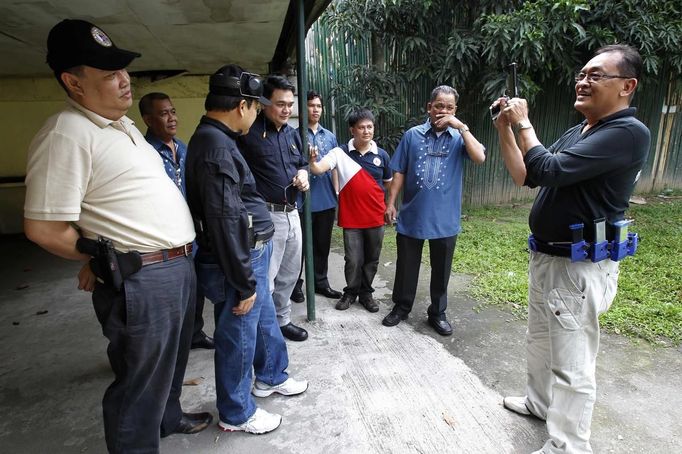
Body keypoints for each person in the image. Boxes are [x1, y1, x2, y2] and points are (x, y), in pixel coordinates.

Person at [23, 19, 211, 453]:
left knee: (170, 363)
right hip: (141, 275)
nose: (124, 80)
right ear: (73, 82)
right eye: (109, 74)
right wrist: (101, 260)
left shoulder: (121, 125)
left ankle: (169, 418)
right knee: (140, 382)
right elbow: (44, 228)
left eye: (123, 70)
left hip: (174, 265)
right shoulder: (66, 132)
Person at [492, 44, 650, 454]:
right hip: (548, 256)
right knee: (540, 340)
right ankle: (539, 404)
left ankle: (569, 445)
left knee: (573, 362)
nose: (583, 81)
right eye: (582, 74)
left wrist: (524, 121)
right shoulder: (582, 130)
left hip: (577, 268)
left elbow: (548, 168)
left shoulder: (627, 133)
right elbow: (527, 175)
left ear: (626, 86)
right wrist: (504, 129)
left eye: (596, 75)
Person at [185, 64, 308, 435]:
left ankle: (271, 375)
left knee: (264, 319)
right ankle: (236, 412)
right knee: (238, 334)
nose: (254, 116)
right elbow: (223, 223)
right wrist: (243, 283)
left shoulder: (217, 140)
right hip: (239, 260)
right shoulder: (217, 148)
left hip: (251, 253)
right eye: (255, 108)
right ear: (242, 106)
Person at [383, 85, 486, 336]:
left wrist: (461, 126)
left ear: (455, 111)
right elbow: (399, 171)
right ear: (429, 107)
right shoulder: (412, 135)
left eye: (449, 107)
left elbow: (480, 157)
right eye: (439, 105)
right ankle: (401, 307)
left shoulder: (460, 137)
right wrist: (390, 203)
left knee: (442, 269)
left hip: (445, 218)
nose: (443, 111)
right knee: (407, 265)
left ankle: (437, 313)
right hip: (412, 213)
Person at [139, 92, 214, 350]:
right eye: (163, 113)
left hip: (192, 232)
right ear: (148, 120)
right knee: (170, 295)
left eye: (172, 111)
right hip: (163, 236)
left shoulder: (183, 147)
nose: (172, 118)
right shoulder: (144, 153)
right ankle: (172, 343)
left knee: (196, 287)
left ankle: (194, 333)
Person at [237, 75, 310, 342]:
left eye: (290, 104)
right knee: (265, 279)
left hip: (293, 213)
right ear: (264, 102)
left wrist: (303, 174)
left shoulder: (291, 134)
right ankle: (262, 330)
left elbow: (302, 162)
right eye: (281, 104)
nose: (287, 110)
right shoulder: (248, 134)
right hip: (266, 217)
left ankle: (282, 321)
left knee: (290, 274)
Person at [309, 108, 391, 312]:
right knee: (353, 259)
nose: (366, 131)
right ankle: (350, 292)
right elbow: (319, 169)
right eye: (361, 127)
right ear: (352, 130)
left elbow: (388, 183)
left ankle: (366, 293)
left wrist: (389, 205)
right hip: (352, 217)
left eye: (370, 127)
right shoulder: (340, 152)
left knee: (372, 258)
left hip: (375, 216)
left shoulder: (381, 155)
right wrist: (311, 161)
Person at [291, 91, 343, 303]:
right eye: (311, 105)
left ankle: (321, 283)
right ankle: (295, 285)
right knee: (299, 248)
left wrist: (337, 193)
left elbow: (335, 167)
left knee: (322, 246)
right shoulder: (293, 135)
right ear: (303, 110)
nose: (315, 109)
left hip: (326, 201)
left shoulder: (329, 136)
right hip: (301, 202)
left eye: (318, 106)